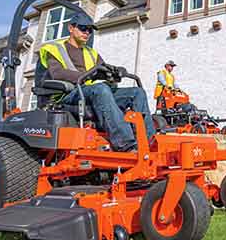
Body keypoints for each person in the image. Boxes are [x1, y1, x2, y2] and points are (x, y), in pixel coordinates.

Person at [38, 12, 155, 152]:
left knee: (137, 92)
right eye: (83, 28)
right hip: (67, 95)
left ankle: (149, 142)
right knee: (100, 89)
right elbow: (57, 73)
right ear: (71, 28)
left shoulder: (91, 52)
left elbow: (104, 69)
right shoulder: (55, 49)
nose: (87, 32)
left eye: (90, 30)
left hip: (90, 92)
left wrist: (116, 72)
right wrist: (88, 75)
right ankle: (126, 144)